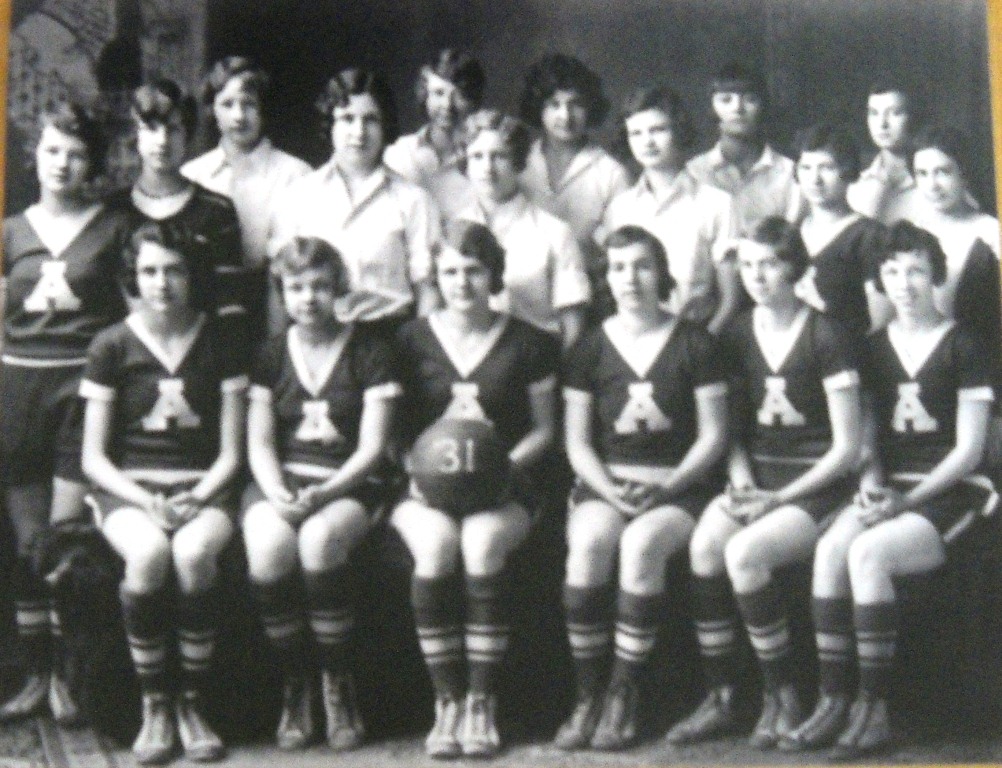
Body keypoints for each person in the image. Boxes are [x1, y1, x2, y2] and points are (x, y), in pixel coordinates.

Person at [780, 221, 996, 759]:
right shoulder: (871, 346)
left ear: (935, 276)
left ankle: (874, 708)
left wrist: (905, 501)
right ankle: (835, 699)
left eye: (917, 271)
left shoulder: (965, 344)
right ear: (879, 280)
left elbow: (970, 452)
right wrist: (874, 483)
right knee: (831, 548)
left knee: (869, 553)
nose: (904, 283)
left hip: (954, 490)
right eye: (893, 272)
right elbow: (868, 441)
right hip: (892, 486)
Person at [666, 217, 862, 749]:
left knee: (746, 553)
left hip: (816, 484)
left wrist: (778, 499)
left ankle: (784, 694)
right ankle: (724, 694)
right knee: (706, 545)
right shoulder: (734, 333)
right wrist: (741, 480)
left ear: (795, 267)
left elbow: (847, 448)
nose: (757, 276)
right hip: (757, 477)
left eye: (770, 263)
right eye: (748, 265)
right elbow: (730, 430)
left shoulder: (826, 333)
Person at [555, 225, 728, 751]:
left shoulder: (697, 341)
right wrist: (608, 491)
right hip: (608, 483)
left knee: (642, 544)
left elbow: (715, 436)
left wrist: (670, 486)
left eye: (642, 265)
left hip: (680, 487)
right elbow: (577, 444)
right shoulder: (588, 347)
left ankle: (623, 692)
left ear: (662, 273)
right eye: (619, 267)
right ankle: (587, 693)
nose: (631, 278)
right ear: (607, 278)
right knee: (590, 543)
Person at [79, 222, 246, 764]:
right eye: (149, 271)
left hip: (206, 486)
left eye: (174, 270)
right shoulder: (111, 344)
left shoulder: (221, 340)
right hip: (130, 489)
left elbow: (232, 452)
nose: (162, 283)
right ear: (132, 278)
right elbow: (93, 458)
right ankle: (155, 703)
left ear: (192, 275)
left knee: (194, 553)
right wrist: (143, 499)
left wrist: (200, 494)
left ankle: (192, 703)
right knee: (149, 554)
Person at [392, 220, 558, 758]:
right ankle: (448, 700)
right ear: (435, 278)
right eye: (449, 272)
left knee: (482, 543)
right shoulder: (410, 338)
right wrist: (419, 475)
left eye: (474, 270)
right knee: (437, 546)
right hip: (425, 490)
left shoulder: (529, 340)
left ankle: (482, 700)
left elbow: (545, 429)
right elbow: (392, 430)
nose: (461, 282)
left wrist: (497, 469)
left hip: (507, 483)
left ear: (494, 276)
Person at [0, 100, 131, 725]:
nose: (63, 163)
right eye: (53, 150)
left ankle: (73, 676)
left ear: (93, 165)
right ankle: (37, 673)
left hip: (82, 393)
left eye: (77, 153)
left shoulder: (113, 227)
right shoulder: (10, 230)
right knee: (27, 544)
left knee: (67, 543)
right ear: (36, 155)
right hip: (18, 392)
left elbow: (135, 322)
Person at [242, 237, 400, 752]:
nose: (308, 298)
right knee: (268, 544)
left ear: (340, 290)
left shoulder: (372, 350)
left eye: (320, 286)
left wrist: (326, 491)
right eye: (296, 287)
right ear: (281, 293)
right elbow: (261, 442)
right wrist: (277, 491)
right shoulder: (269, 353)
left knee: (318, 541)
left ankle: (337, 681)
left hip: (349, 483)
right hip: (283, 480)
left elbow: (374, 448)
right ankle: (296, 682)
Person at [269, 67, 441, 334]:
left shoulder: (414, 201)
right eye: (347, 118)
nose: (359, 132)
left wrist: (419, 352)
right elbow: (277, 284)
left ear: (385, 127)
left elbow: (427, 290)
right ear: (330, 124)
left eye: (370, 120)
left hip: (390, 339)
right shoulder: (298, 195)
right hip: (316, 336)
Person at [182, 56, 312, 337]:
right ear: (212, 111)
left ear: (263, 109)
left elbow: (295, 261)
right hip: (205, 306)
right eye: (227, 105)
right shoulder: (193, 175)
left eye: (249, 104)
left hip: (273, 304)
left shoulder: (296, 175)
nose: (239, 116)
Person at [601, 85, 738, 334]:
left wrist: (700, 345)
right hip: (633, 339)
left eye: (658, 130)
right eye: (636, 133)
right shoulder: (619, 208)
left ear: (678, 131)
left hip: (696, 337)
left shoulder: (717, 203)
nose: (648, 142)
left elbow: (730, 301)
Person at [454, 108, 591, 349]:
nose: (488, 168)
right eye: (477, 156)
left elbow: (573, 325)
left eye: (499, 156)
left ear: (517, 160)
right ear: (466, 162)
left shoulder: (555, 232)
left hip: (537, 364)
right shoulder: (452, 233)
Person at [109, 80, 245, 320]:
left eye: (173, 129)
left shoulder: (216, 210)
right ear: (135, 135)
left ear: (187, 136)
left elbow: (229, 303)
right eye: (151, 128)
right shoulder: (112, 210)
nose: (162, 141)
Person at [517, 54, 631, 311]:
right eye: (553, 104)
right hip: (522, 297)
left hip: (590, 299)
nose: (565, 116)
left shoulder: (611, 173)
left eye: (575, 104)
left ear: (590, 108)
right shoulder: (519, 163)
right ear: (538, 107)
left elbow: (620, 249)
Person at [904, 126, 1000, 369]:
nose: (932, 185)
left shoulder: (990, 232)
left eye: (943, 172)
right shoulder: (911, 234)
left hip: (979, 363)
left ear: (964, 173)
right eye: (922, 174)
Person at [794, 124, 890, 339]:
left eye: (826, 168)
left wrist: (819, 304)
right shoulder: (791, 234)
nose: (815, 179)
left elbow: (880, 327)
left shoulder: (871, 237)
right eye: (806, 168)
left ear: (848, 171)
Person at [687, 63, 803, 237]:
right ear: (711, 108)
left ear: (763, 106)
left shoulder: (789, 173)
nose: (737, 108)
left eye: (750, 99)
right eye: (726, 100)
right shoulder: (694, 171)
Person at [383, 48, 483, 221]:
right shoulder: (402, 152)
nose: (447, 105)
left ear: (473, 100)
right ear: (425, 96)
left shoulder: (484, 154)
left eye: (458, 95)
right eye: (438, 93)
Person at [847, 80, 923, 225]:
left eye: (895, 113)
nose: (882, 124)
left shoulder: (934, 182)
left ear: (913, 117)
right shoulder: (855, 185)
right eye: (874, 113)